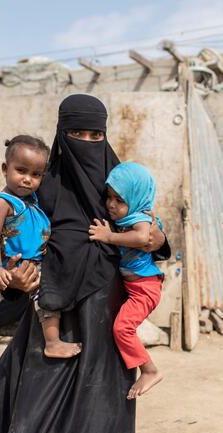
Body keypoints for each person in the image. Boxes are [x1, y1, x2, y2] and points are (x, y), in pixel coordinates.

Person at [0, 94, 170, 433]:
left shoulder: (115, 182)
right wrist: (15, 281)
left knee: (100, 408)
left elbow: (148, 229)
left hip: (105, 312)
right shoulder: (43, 185)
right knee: (37, 404)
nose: (86, 144)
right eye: (76, 134)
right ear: (61, 132)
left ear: (105, 136)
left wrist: (157, 238)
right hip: (55, 311)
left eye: (95, 136)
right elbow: (16, 242)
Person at [0, 135, 81, 359]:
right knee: (46, 300)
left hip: (38, 260)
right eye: (21, 170)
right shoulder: (3, 203)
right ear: (5, 168)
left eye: (35, 174)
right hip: (23, 264)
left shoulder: (32, 199)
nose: (27, 179)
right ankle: (52, 342)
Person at [88, 162, 164, 400]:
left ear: (136, 197)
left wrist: (108, 236)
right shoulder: (128, 216)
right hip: (135, 287)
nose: (111, 204)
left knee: (123, 328)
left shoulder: (140, 217)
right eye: (109, 197)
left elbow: (143, 237)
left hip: (145, 288)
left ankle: (150, 370)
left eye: (119, 200)